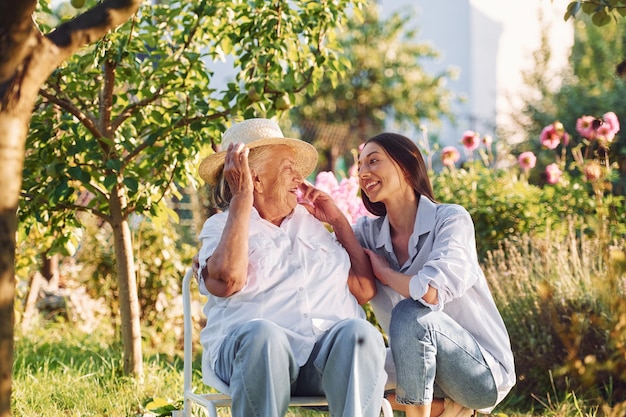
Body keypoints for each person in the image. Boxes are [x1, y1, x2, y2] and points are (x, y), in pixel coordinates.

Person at [194, 118, 387, 417]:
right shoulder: (221, 226)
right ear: (253, 178)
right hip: (254, 360)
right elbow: (227, 281)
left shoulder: (310, 223)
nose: (299, 177)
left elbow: (364, 289)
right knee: (263, 335)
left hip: (320, 363)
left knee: (360, 333)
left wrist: (337, 220)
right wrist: (242, 199)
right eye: (288, 168)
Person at [353, 132, 516, 417]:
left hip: (478, 374)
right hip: (415, 364)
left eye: (373, 161)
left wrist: (386, 273)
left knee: (410, 313)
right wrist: (330, 215)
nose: (363, 172)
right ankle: (442, 408)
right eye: (359, 166)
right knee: (341, 368)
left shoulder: (450, 219)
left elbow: (431, 292)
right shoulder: (367, 233)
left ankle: (434, 410)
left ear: (406, 165)